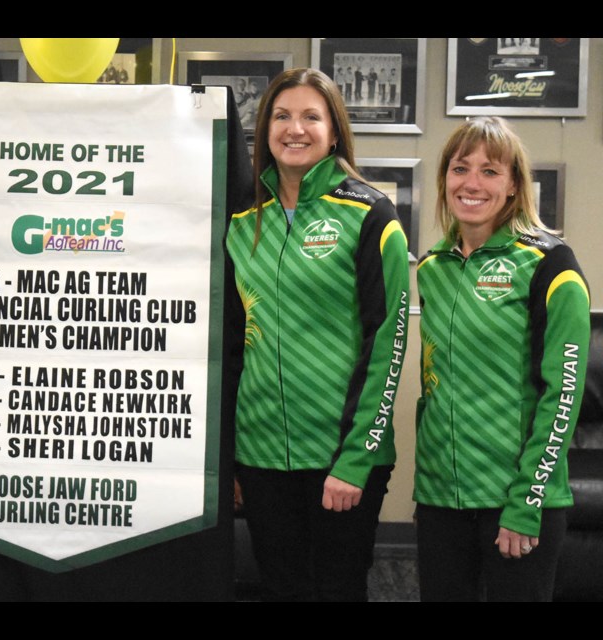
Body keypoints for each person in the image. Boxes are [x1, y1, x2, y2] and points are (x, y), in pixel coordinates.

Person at [226, 68, 410, 601]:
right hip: (261, 457)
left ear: (334, 130)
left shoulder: (370, 214)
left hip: (342, 454)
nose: (294, 128)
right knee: (281, 588)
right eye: (281, 116)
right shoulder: (242, 220)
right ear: (263, 130)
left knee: (336, 590)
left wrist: (355, 459)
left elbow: (388, 344)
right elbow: (235, 346)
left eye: (311, 116)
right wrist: (234, 456)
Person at [414, 116, 590, 601]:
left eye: (490, 171)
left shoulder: (551, 264)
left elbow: (564, 394)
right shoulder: (432, 268)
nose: (471, 183)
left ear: (514, 185)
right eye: (459, 168)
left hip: (517, 500)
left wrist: (526, 501)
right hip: (439, 500)